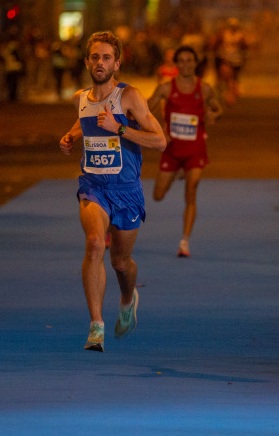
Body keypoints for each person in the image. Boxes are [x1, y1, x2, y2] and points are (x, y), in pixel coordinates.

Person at [59, 30, 166, 352]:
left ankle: (126, 297)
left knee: (121, 262)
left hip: (126, 189)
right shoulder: (81, 98)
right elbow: (86, 121)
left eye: (106, 57)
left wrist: (119, 128)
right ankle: (96, 325)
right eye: (95, 57)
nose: (100, 63)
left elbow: (159, 141)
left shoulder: (129, 97)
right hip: (93, 185)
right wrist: (71, 135)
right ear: (87, 62)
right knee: (94, 245)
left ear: (116, 63)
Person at [147, 45, 222, 257]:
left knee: (192, 190)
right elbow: (144, 109)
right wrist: (157, 128)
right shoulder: (165, 88)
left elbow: (218, 108)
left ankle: (184, 242)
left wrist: (213, 115)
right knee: (158, 195)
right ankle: (178, 173)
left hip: (195, 149)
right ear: (176, 63)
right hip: (171, 150)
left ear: (196, 63)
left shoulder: (205, 89)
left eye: (190, 60)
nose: (186, 64)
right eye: (182, 60)